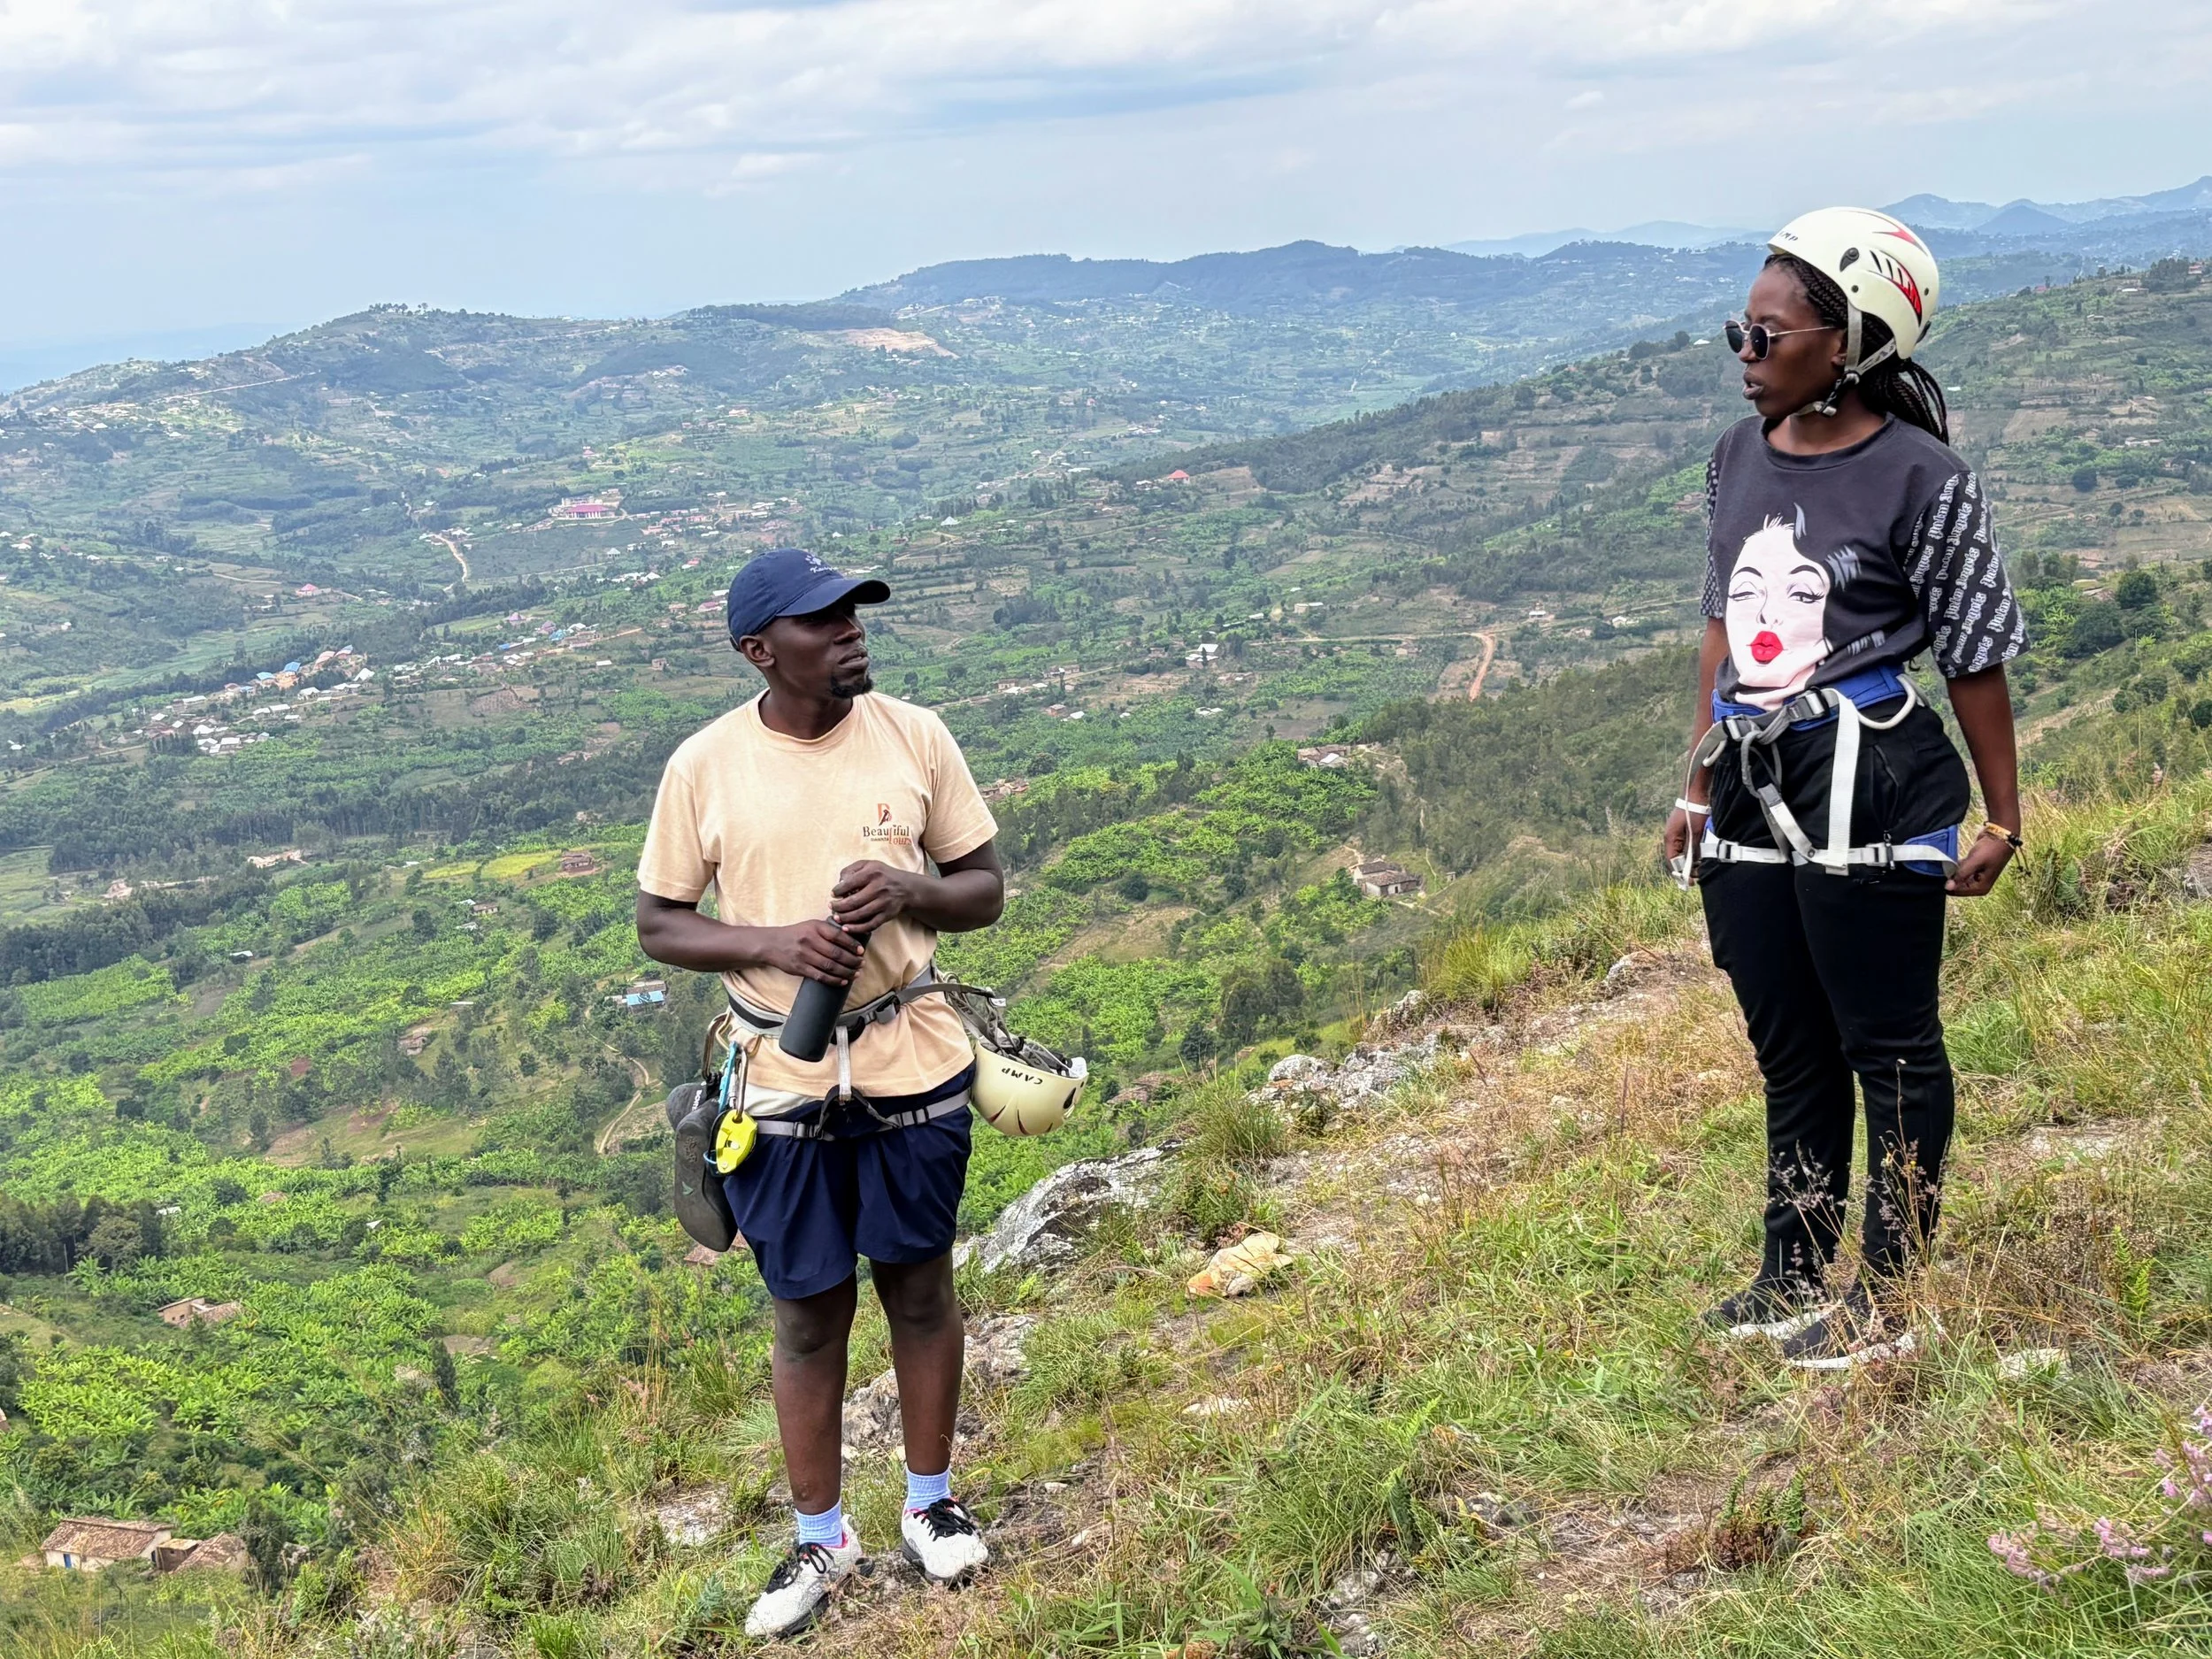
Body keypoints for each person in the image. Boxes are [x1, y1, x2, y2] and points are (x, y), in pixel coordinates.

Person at [1661, 208, 2027, 1371]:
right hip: (1753, 779)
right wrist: (1695, 785)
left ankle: (1891, 1290)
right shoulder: (1738, 455)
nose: (1746, 351)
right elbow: (1724, 632)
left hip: (1868, 779)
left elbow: (1973, 649)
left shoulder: (1922, 475)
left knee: (1889, 1040)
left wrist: (2002, 811)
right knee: (1791, 1037)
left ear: (1849, 342)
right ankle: (1796, 1263)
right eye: (1742, 330)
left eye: (1767, 334)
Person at [635, 546, 1005, 1637]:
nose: (850, 631)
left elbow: (984, 888)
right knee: (805, 1317)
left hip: (911, 1060)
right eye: (822, 621)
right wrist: (778, 942)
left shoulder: (914, 735)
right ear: (760, 650)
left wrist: (911, 890)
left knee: (921, 1289)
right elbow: (660, 920)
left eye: (853, 614)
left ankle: (930, 1507)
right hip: (781, 1083)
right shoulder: (704, 766)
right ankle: (820, 1534)